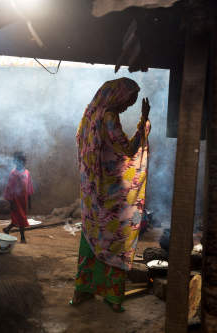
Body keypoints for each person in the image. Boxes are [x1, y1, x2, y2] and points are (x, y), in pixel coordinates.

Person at [70, 78, 151, 312]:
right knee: (116, 240)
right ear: (117, 96)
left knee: (90, 239)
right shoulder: (109, 117)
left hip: (91, 191)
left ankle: (82, 291)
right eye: (128, 101)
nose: (127, 106)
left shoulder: (89, 115)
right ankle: (113, 297)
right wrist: (143, 122)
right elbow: (127, 148)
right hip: (109, 193)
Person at [2, 151, 34, 243]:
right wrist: (11, 202)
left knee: (18, 217)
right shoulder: (13, 173)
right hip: (16, 199)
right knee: (21, 218)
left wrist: (29, 201)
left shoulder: (27, 172)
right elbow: (9, 188)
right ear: (16, 161)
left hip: (23, 200)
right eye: (21, 160)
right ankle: (23, 238)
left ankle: (7, 229)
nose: (23, 162)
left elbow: (29, 187)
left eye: (24, 160)